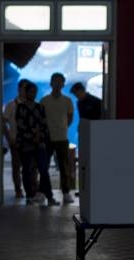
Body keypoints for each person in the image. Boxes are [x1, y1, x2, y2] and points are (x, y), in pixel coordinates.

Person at [16, 80, 56, 206]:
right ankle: (29, 196)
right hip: (26, 144)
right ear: (26, 92)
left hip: (40, 143)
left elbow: (44, 125)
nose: (32, 94)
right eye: (30, 92)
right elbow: (20, 126)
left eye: (34, 92)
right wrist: (33, 135)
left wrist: (40, 137)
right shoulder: (20, 108)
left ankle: (49, 197)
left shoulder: (40, 107)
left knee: (44, 170)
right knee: (26, 170)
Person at [40, 72, 75, 204]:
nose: (57, 83)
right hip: (47, 138)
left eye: (60, 81)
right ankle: (42, 192)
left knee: (64, 167)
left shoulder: (67, 100)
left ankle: (66, 193)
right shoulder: (44, 100)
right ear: (51, 83)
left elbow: (70, 118)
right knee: (44, 167)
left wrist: (62, 127)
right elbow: (40, 118)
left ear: (63, 84)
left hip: (62, 138)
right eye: (55, 81)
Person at [3, 79, 28, 199]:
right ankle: (18, 190)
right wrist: (8, 137)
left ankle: (31, 190)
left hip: (29, 141)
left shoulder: (33, 104)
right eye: (24, 88)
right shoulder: (11, 105)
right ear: (19, 89)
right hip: (16, 140)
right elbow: (3, 122)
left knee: (30, 167)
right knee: (16, 166)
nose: (25, 91)